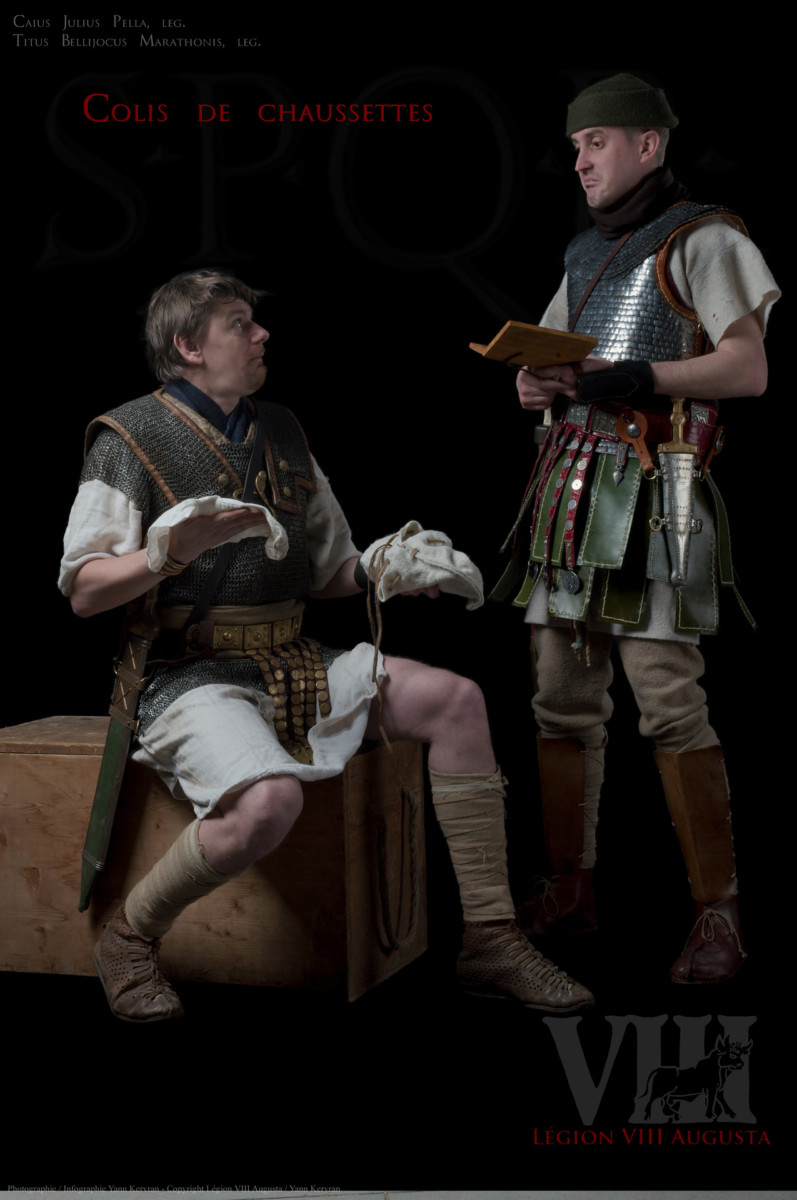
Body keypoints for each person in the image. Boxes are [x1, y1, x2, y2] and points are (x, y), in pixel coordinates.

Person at [59, 267, 593, 1022]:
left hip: (293, 658)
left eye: (254, 321)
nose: (261, 333)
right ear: (187, 345)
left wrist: (385, 567)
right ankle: (128, 938)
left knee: (455, 700)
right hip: (189, 675)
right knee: (268, 805)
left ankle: (491, 938)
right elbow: (84, 591)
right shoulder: (127, 439)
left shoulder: (281, 430)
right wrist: (165, 556)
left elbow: (327, 572)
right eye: (239, 323)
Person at [492, 74, 779, 983]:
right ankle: (570, 888)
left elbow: (745, 368)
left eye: (596, 144)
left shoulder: (706, 238)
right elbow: (547, 358)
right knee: (557, 701)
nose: (579, 162)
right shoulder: (585, 251)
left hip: (653, 496)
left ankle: (717, 913)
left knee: (668, 702)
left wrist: (639, 377)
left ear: (647, 145)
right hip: (566, 499)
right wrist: (534, 381)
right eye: (574, 148)